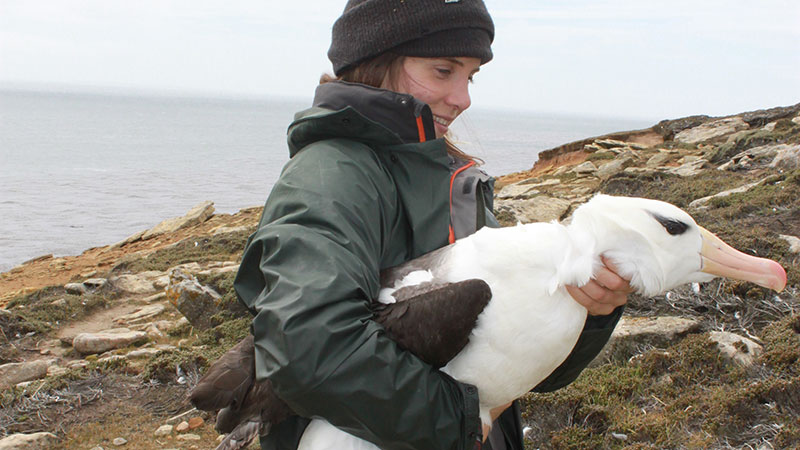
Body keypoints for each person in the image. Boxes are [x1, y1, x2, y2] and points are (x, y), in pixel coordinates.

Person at [233, 1, 631, 449]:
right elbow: (307, 350)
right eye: (443, 71)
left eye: (471, 76)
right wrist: (457, 424)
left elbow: (511, 357)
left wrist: (589, 308)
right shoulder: (329, 177)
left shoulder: (456, 178)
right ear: (375, 62)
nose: (463, 98)